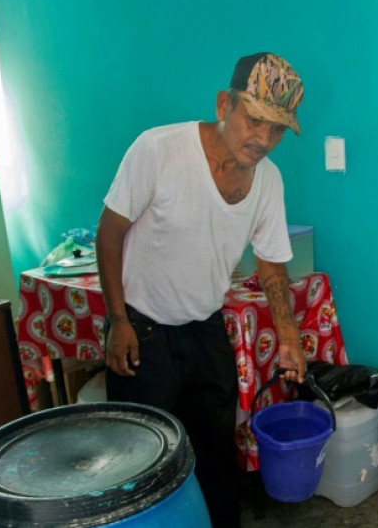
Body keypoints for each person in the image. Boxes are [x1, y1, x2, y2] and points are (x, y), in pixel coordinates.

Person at [95, 52, 307, 528]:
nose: (263, 139)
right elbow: (107, 234)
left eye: (276, 130)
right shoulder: (159, 150)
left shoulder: (268, 181)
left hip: (206, 331)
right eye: (255, 121)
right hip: (143, 331)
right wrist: (118, 320)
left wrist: (289, 338)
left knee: (215, 455)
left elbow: (272, 268)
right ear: (223, 104)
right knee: (140, 462)